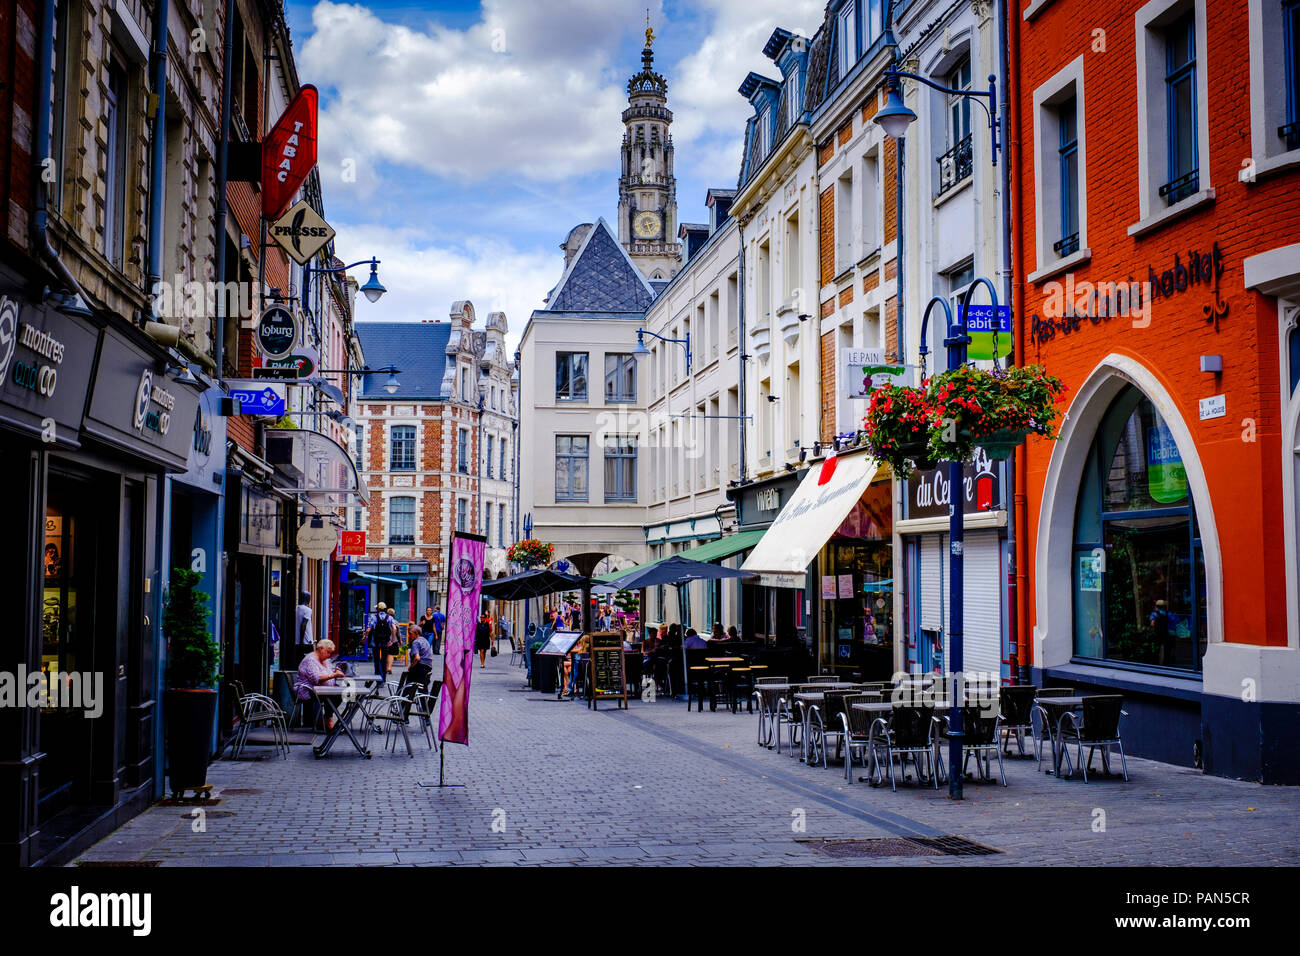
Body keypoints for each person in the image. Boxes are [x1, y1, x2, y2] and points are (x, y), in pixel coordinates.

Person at [295, 638, 346, 730]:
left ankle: (327, 719)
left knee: (342, 694)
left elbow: (331, 669)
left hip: (322, 690)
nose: (329, 655)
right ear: (320, 648)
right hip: (308, 691)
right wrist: (334, 675)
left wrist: (336, 670)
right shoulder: (310, 660)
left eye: (330, 653)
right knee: (335, 696)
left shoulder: (324, 659)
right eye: (328, 652)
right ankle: (328, 720)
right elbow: (317, 679)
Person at [367, 602, 397, 682]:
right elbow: (394, 629)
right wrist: (392, 640)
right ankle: (383, 679)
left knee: (376, 660)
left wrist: (365, 637)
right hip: (386, 642)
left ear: (378, 609)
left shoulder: (374, 617)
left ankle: (377, 679)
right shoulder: (389, 617)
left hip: (376, 642)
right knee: (384, 661)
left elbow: (368, 629)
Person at [406, 623, 434, 688]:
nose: (408, 636)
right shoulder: (425, 641)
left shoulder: (416, 642)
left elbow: (417, 658)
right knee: (422, 688)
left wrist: (411, 666)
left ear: (416, 633)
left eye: (410, 634)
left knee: (409, 687)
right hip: (428, 667)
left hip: (419, 667)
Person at [294, 591, 314, 666]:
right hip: (306, 641)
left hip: (296, 641)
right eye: (309, 598)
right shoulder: (307, 610)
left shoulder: (296, 609)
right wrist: (302, 641)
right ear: (306, 599)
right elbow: (303, 624)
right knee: (310, 661)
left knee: (298, 662)